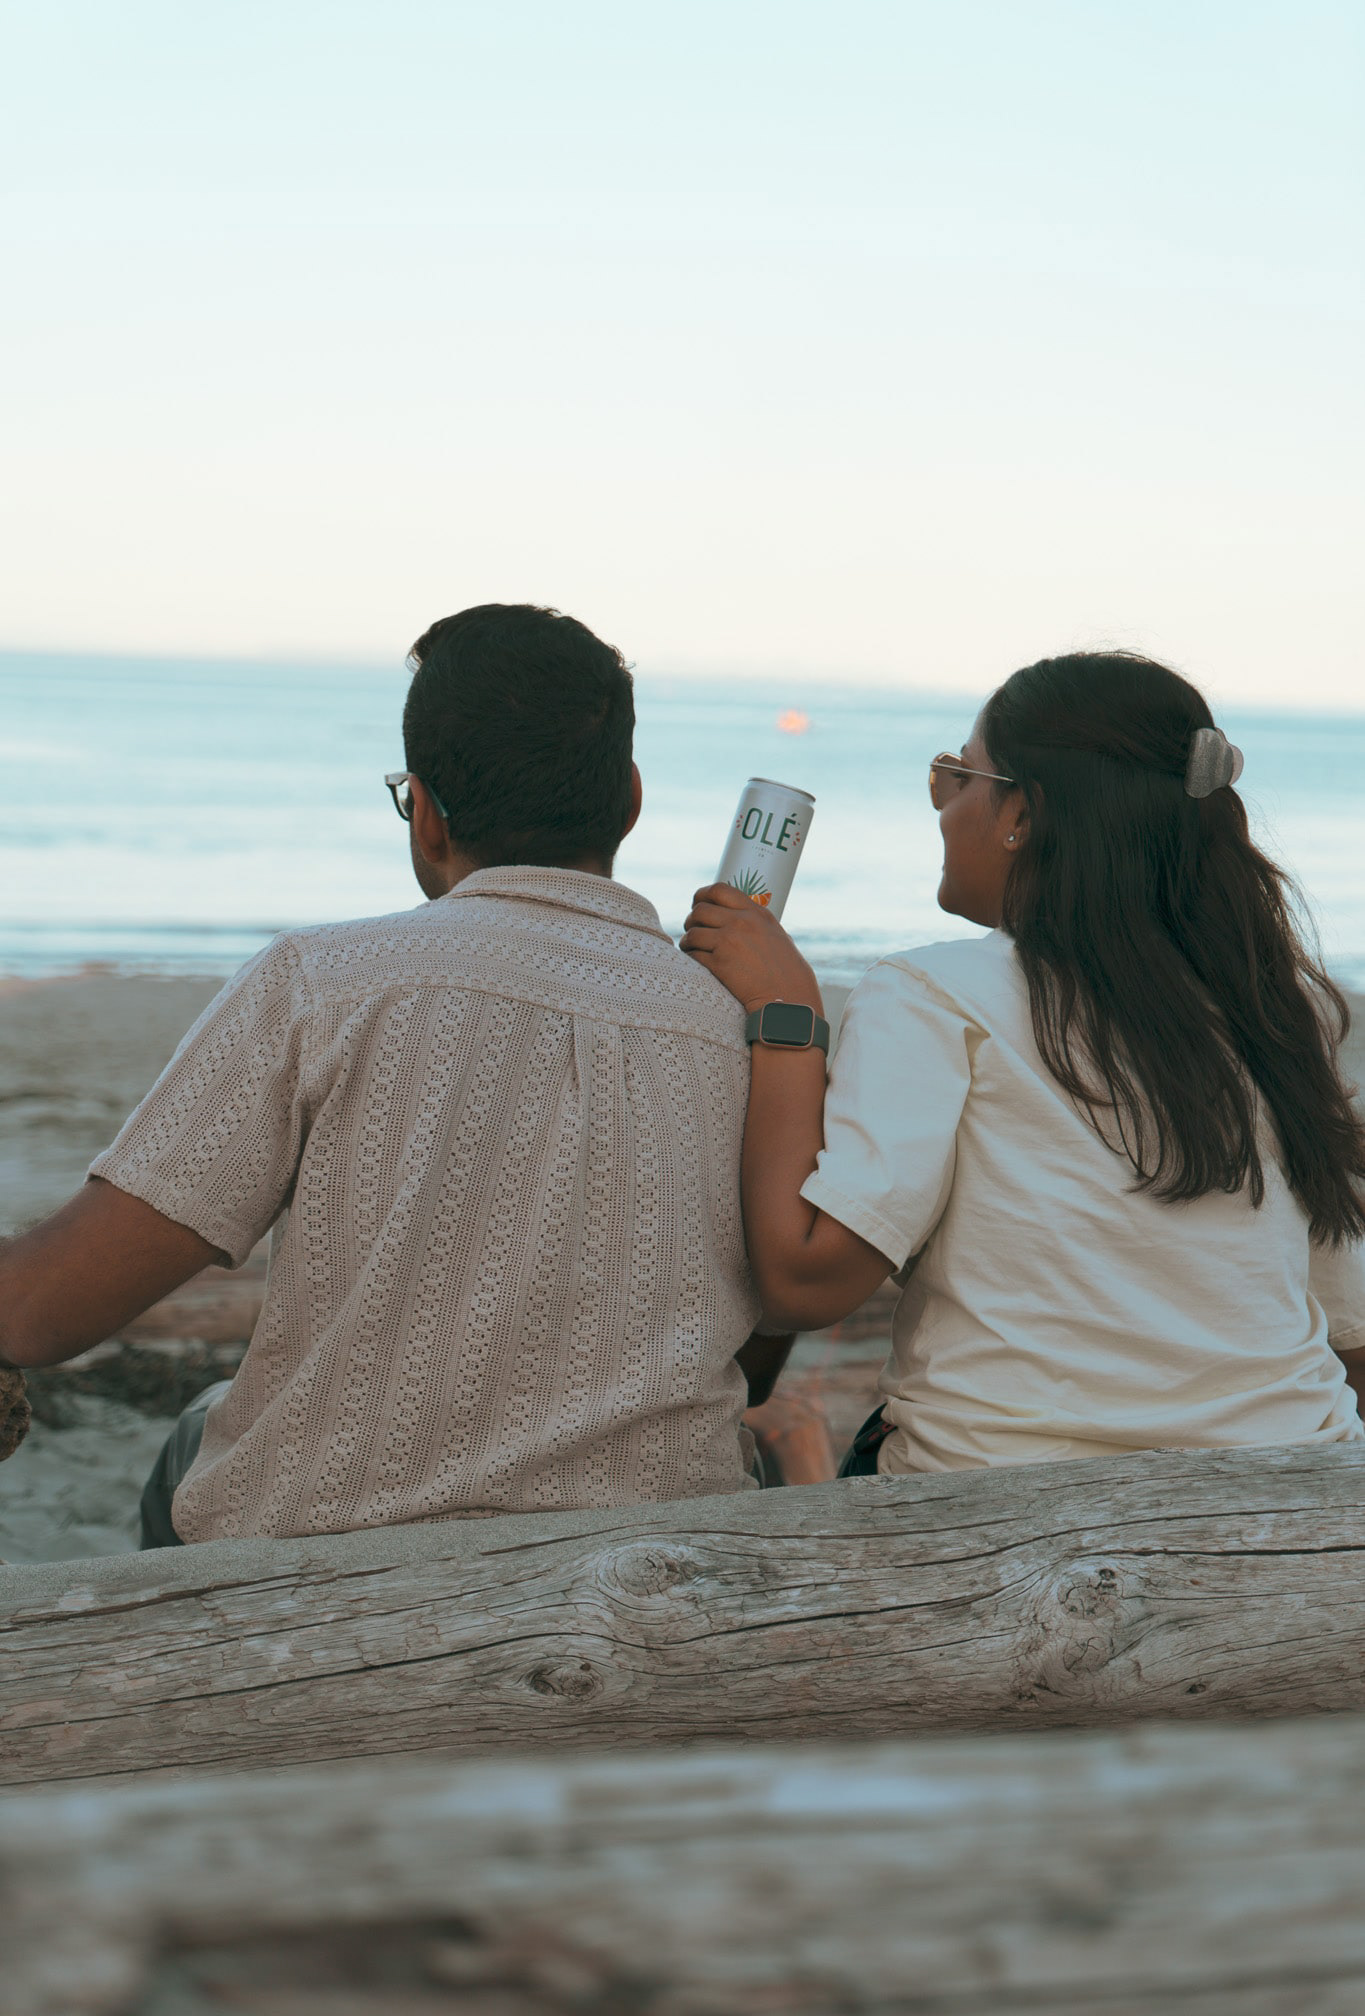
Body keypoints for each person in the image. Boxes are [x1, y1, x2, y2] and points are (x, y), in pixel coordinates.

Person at [0, 603, 772, 1542]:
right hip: (650, 1566)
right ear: (631, 801)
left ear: (428, 814)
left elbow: (41, 1313)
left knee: (194, 1447)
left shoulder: (323, 985)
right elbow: (763, 1333)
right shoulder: (735, 1025)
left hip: (333, 1571)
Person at [683, 650, 1365, 1475]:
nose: (941, 805)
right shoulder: (1274, 1008)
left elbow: (803, 1280)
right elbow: (1345, 1332)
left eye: (956, 775)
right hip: (1292, 1484)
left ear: (1021, 813)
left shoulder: (932, 994)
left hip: (996, 1501)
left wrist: (785, 1012)